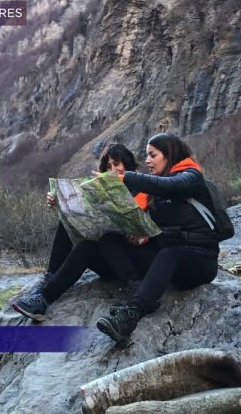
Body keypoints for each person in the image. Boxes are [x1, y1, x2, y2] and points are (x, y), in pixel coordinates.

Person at [96, 133, 220, 345]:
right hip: (171, 260)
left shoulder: (191, 176)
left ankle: (130, 317)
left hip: (202, 261)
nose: (147, 161)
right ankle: (138, 291)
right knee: (109, 240)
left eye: (152, 155)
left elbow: (172, 186)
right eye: (146, 156)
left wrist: (126, 178)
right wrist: (145, 236)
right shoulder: (158, 192)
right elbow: (162, 230)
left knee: (168, 254)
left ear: (168, 155)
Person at [13, 144, 156, 322]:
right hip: (109, 257)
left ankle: (135, 288)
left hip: (133, 261)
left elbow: (156, 228)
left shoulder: (147, 189)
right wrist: (60, 204)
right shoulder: (100, 191)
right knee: (83, 243)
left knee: (108, 240)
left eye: (117, 164)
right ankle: (44, 295)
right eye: (108, 166)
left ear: (129, 165)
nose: (112, 170)